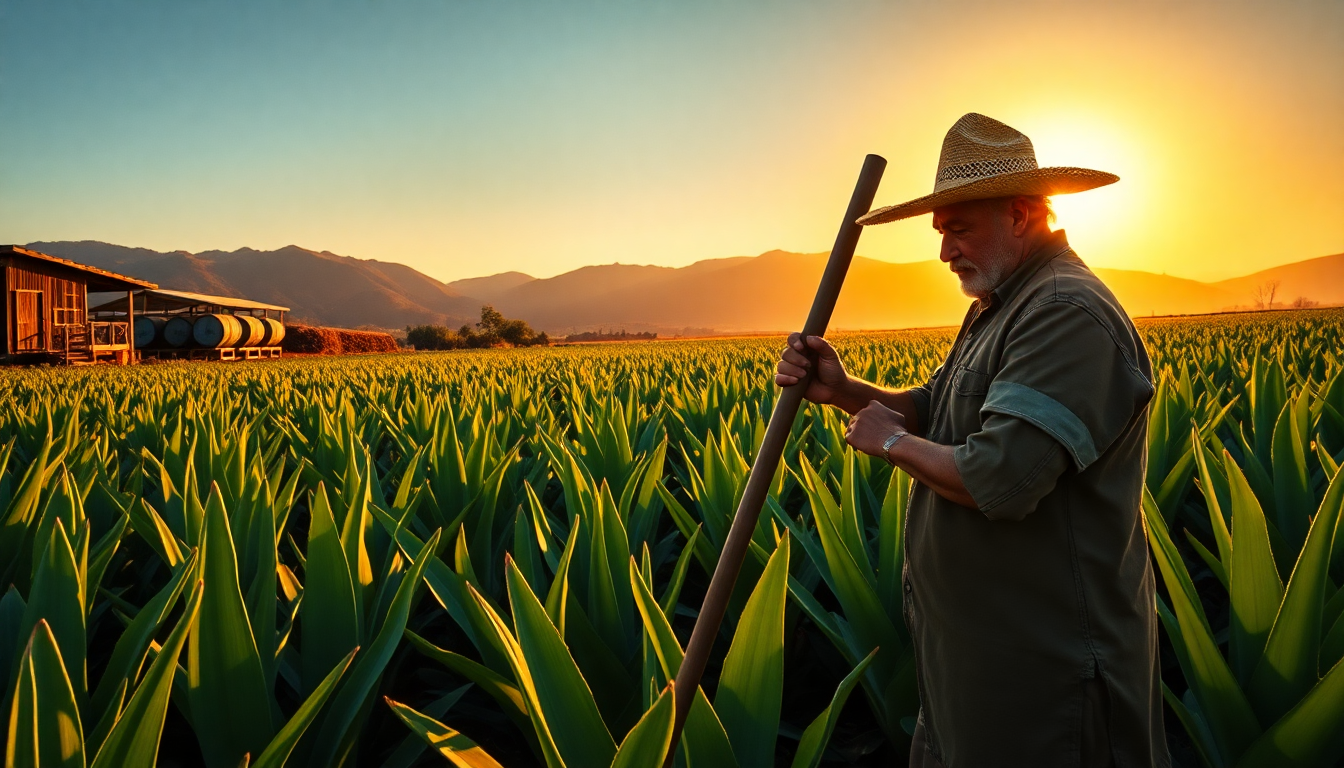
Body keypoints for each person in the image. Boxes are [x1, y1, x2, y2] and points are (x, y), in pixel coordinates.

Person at [775, 113, 1170, 767]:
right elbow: (935, 410)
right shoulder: (1002, 305)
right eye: (940, 232)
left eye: (958, 228)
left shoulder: (1062, 312)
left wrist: (891, 444)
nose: (944, 251)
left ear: (1020, 214)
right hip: (979, 668)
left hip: (1048, 677)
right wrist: (843, 388)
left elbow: (1000, 478)